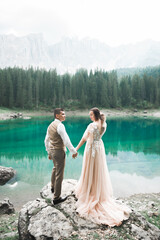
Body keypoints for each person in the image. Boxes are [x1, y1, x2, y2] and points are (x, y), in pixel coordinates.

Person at [75, 107, 131, 226]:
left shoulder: (92, 126)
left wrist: (76, 149)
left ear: (95, 115)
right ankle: (96, 191)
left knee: (90, 169)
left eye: (91, 115)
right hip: (99, 148)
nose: (90, 117)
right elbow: (101, 125)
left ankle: (89, 190)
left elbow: (84, 138)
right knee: (97, 170)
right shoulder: (103, 124)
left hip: (91, 149)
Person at [45, 108, 78, 205]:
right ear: (57, 116)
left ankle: (52, 187)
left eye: (64, 114)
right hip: (59, 151)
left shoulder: (50, 125)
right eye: (62, 114)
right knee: (59, 174)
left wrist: (48, 152)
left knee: (55, 168)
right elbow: (66, 141)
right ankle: (56, 198)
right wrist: (73, 151)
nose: (65, 115)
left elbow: (46, 140)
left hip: (52, 151)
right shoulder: (60, 126)